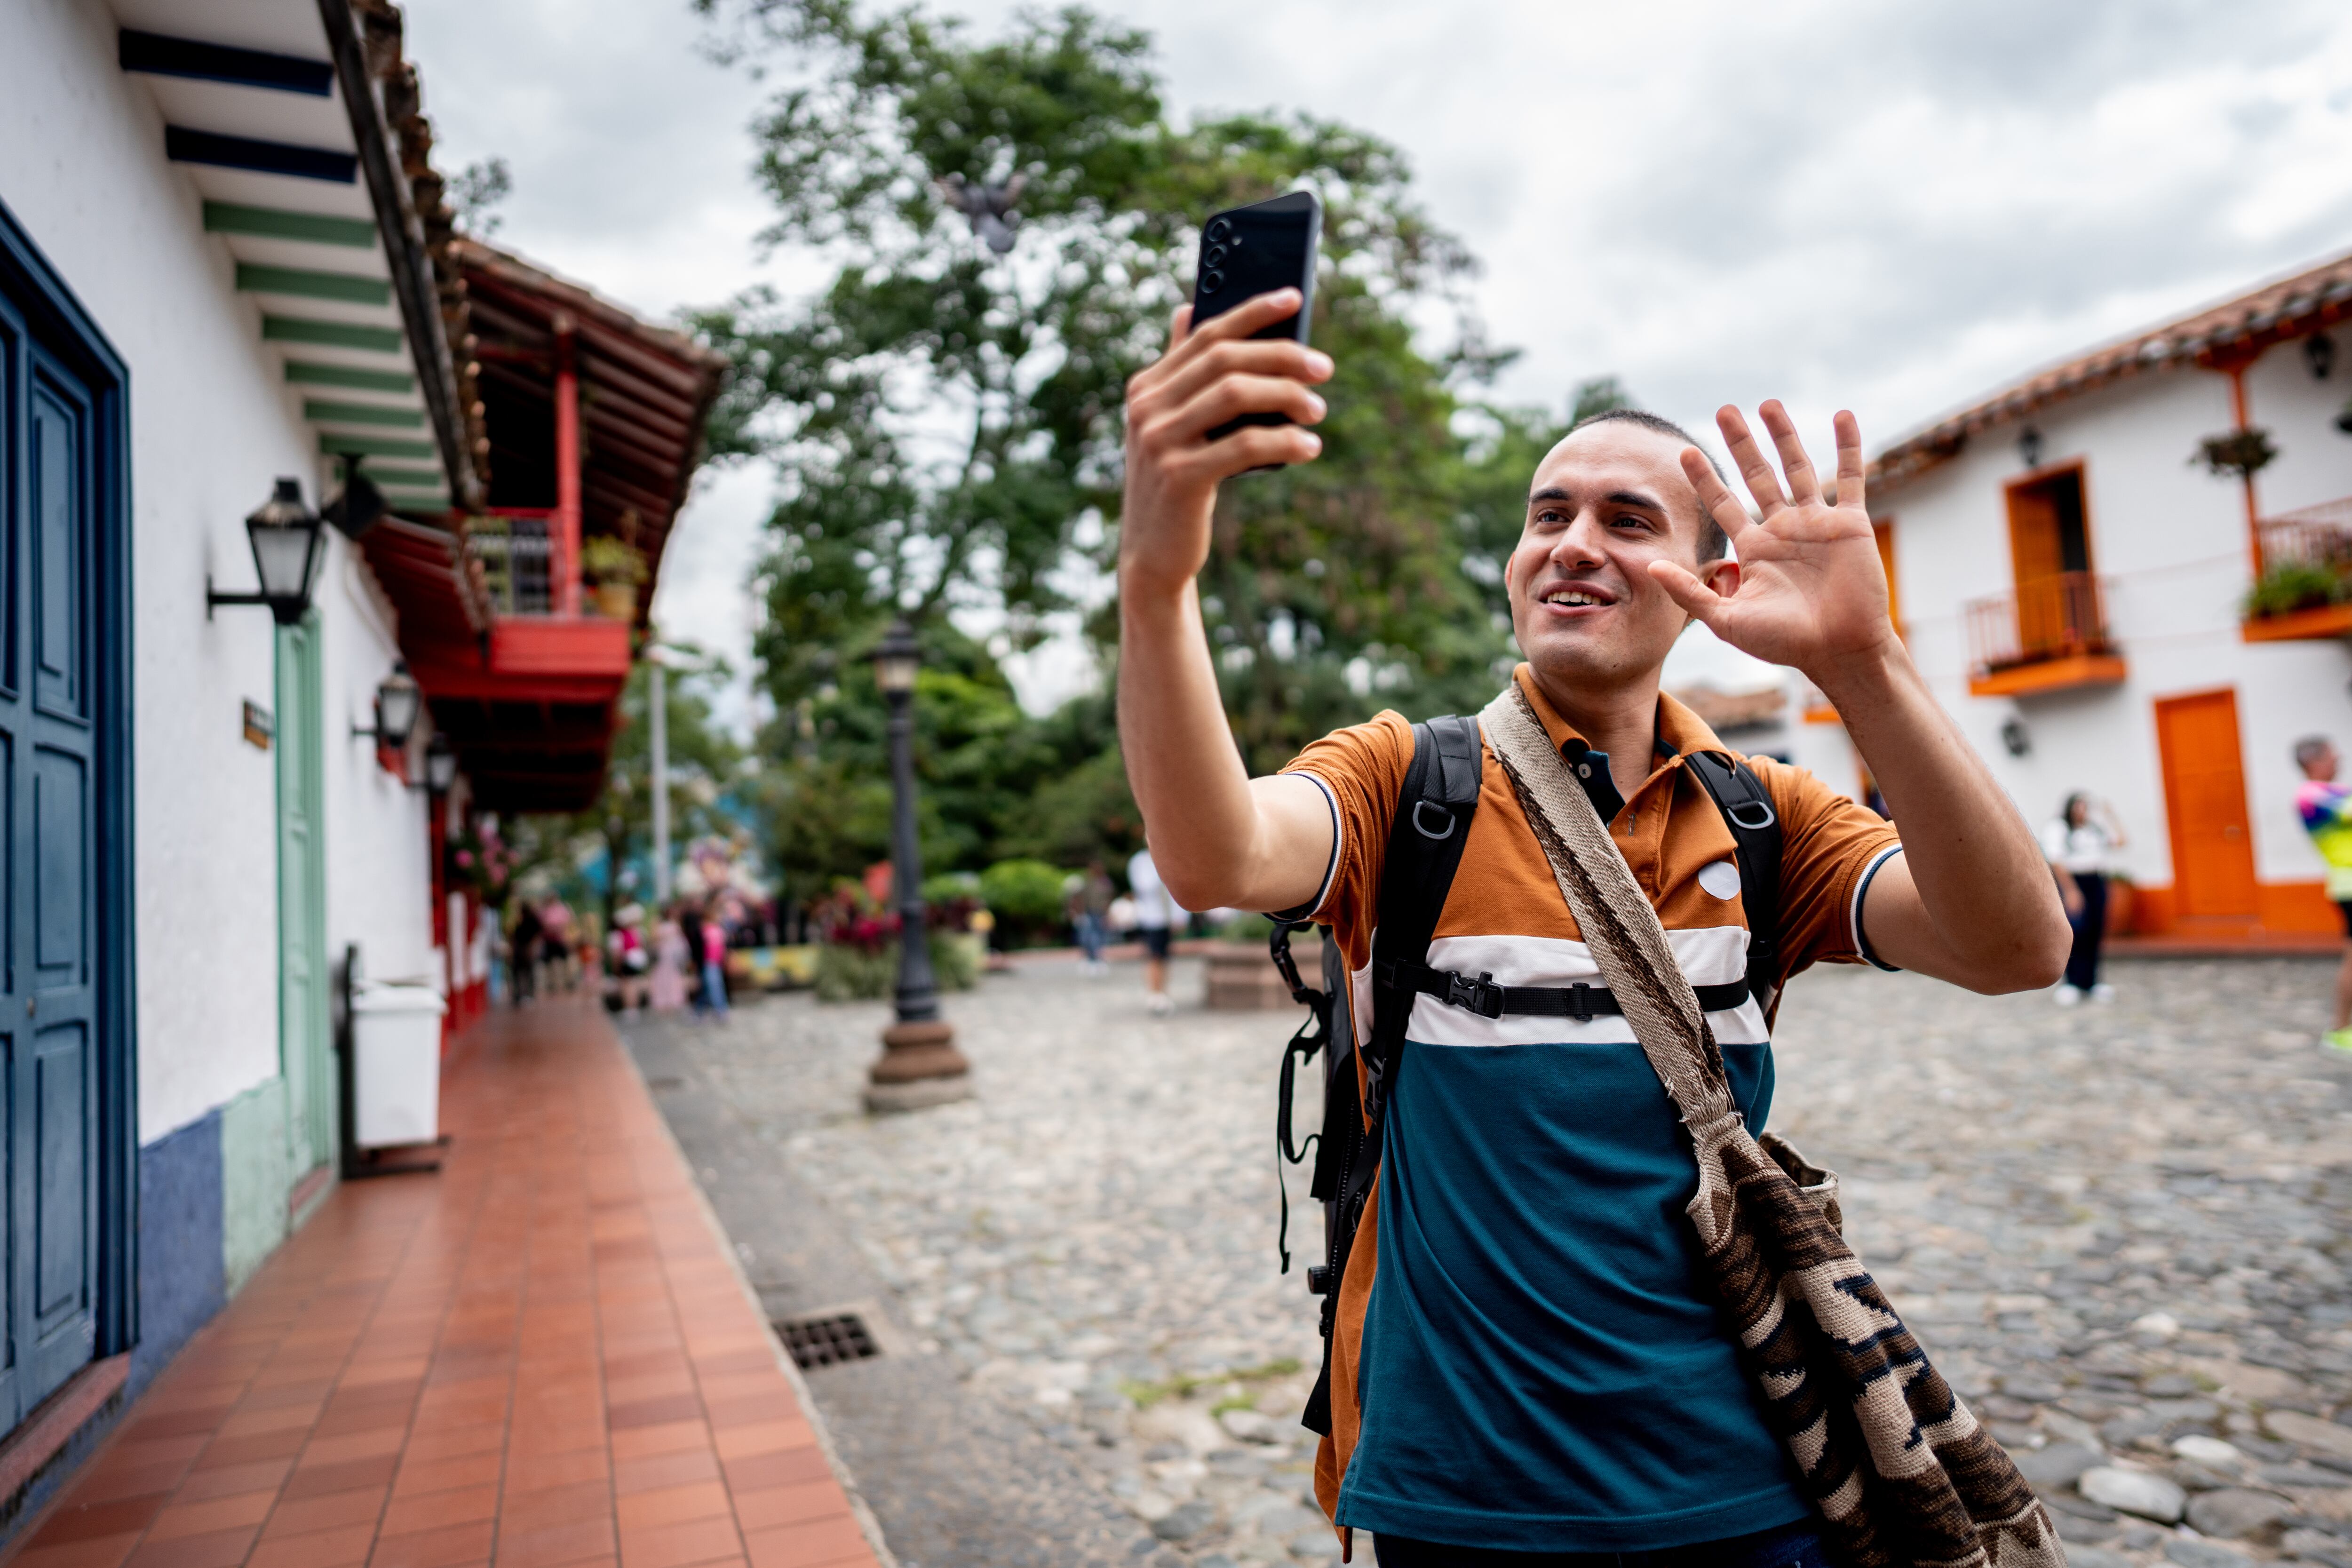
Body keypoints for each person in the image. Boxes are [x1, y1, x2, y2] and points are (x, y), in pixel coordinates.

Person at [1115, 286, 2070, 1565]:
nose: (1572, 542)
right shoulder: (1408, 781)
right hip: (1463, 1492)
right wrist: (1159, 570)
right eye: (1546, 514)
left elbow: (2019, 949)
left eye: (1628, 519)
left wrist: (1864, 663)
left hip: (1748, 1480)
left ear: (1709, 581)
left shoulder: (1764, 815)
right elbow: (1214, 849)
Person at [2295, 736, 2352, 1051]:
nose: (2338, 758)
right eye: (2332, 754)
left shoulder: (2334, 793)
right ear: (2313, 761)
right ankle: (2341, 1028)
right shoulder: (2312, 796)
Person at [2040, 793, 2124, 1005]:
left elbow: (2121, 842)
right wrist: (2071, 890)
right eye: (2078, 807)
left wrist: (2111, 816)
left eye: (2085, 807)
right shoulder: (2059, 828)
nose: (2082, 812)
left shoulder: (2093, 829)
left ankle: (2092, 981)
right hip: (2073, 882)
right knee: (2077, 931)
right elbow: (2056, 860)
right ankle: (2072, 983)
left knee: (2096, 929)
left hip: (2095, 881)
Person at [1126, 847, 1182, 1015]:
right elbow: (1144, 887)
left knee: (1165, 956)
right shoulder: (1140, 861)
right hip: (1152, 918)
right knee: (1154, 955)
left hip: (1166, 917)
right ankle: (1155, 993)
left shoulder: (1170, 855)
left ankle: (1163, 991)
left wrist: (1179, 917)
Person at [1070, 862, 1115, 974]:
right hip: (1089, 913)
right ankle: (1091, 958)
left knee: (1099, 937)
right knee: (1089, 937)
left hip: (1100, 913)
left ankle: (1097, 958)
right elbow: (1079, 897)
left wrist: (1107, 912)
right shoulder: (1087, 882)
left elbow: (1110, 897)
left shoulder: (1105, 882)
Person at [649, 911, 691, 1012]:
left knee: (664, 977)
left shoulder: (662, 927)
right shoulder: (674, 926)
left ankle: (664, 999)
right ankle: (673, 999)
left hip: (666, 955)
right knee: (672, 977)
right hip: (670, 955)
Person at [509, 901, 543, 1006]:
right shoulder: (520, 921)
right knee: (520, 972)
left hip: (527, 949)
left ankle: (528, 994)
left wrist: (532, 948)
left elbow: (537, 935)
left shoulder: (532, 921)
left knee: (527, 972)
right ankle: (520, 994)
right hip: (521, 949)